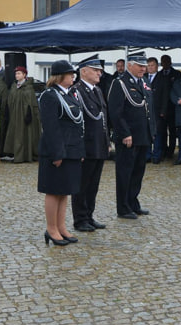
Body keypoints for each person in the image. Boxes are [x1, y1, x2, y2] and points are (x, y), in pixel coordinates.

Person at [37, 60, 83, 247]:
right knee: (53, 191)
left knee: (65, 192)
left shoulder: (70, 94)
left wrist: (79, 150)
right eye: (70, 73)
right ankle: (51, 229)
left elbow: (78, 124)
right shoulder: (50, 95)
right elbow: (51, 127)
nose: (73, 76)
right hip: (55, 151)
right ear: (59, 76)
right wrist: (58, 153)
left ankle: (61, 227)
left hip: (71, 149)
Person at [108, 51, 155, 219]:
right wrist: (124, 133)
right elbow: (115, 112)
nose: (144, 68)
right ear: (130, 65)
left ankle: (133, 202)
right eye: (140, 65)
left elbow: (149, 110)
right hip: (128, 137)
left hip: (143, 135)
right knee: (125, 172)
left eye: (145, 65)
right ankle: (123, 207)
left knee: (138, 172)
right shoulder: (120, 83)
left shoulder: (144, 82)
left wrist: (152, 132)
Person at [71, 55, 109, 233]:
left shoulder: (96, 90)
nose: (99, 73)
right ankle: (80, 218)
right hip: (86, 145)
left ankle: (89, 215)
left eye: (99, 70)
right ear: (83, 71)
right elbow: (77, 122)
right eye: (95, 70)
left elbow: (103, 118)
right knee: (82, 184)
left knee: (93, 184)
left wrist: (107, 141)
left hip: (98, 144)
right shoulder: (77, 91)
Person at [2, 66, 41, 163]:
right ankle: (16, 154)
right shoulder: (14, 86)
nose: (17, 75)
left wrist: (29, 113)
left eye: (19, 73)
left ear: (24, 75)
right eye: (16, 74)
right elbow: (10, 99)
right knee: (16, 134)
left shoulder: (28, 88)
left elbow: (31, 102)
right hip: (14, 115)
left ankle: (25, 156)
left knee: (25, 134)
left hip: (24, 116)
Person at [145, 57, 171, 164]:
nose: (150, 67)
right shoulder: (143, 78)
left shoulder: (163, 78)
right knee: (146, 134)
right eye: (149, 65)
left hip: (157, 111)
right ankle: (147, 155)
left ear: (157, 66)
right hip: (145, 111)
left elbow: (165, 96)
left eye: (152, 65)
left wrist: (163, 111)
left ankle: (157, 155)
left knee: (157, 134)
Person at [159, 54, 181, 158]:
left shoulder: (177, 74)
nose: (165, 63)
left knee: (172, 131)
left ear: (170, 62)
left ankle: (171, 151)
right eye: (163, 61)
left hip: (173, 107)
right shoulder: (159, 75)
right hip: (161, 108)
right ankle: (163, 150)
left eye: (167, 61)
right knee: (162, 131)